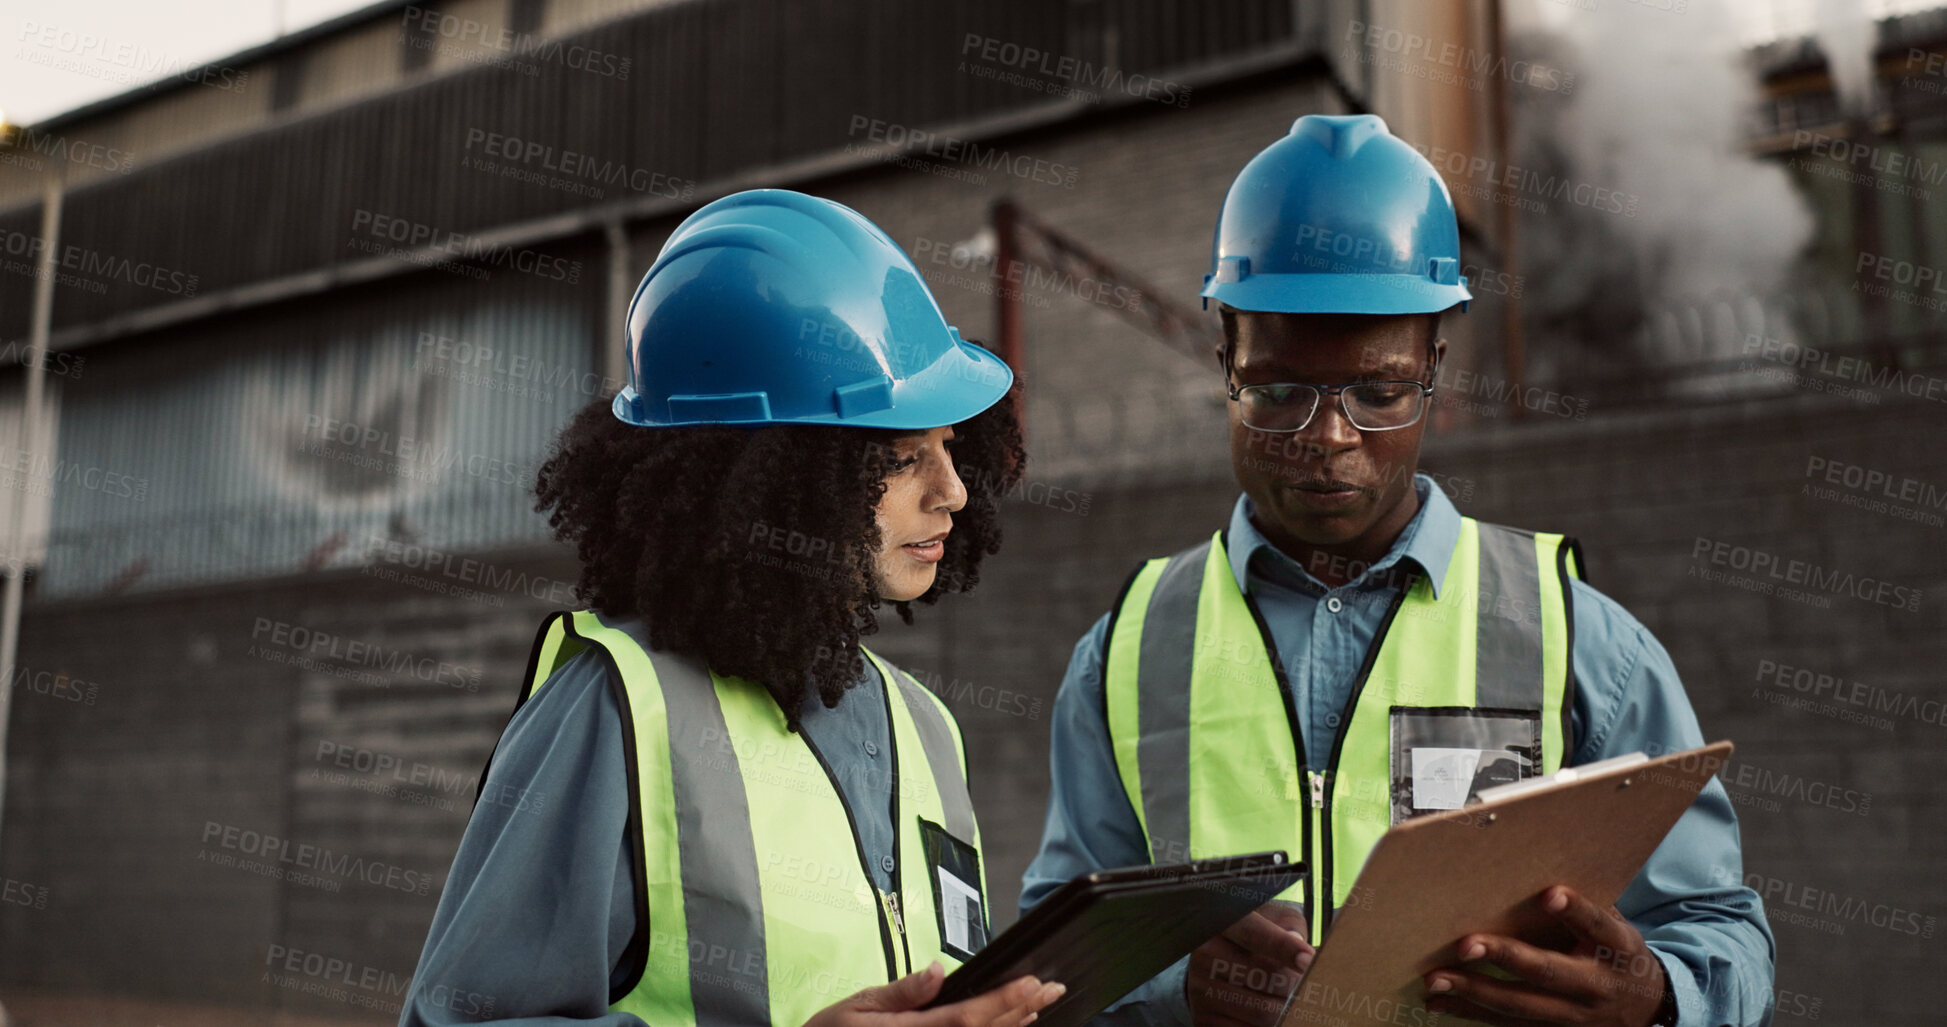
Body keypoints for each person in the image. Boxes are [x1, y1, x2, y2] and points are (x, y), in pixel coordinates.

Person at [1020, 115, 1774, 1027]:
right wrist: (1173, 993)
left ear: (1434, 368)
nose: (1327, 437)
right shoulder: (1127, 654)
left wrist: (1657, 1000)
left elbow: (1717, 927)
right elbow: (1050, 971)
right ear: (1226, 361)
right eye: (1278, 390)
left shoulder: (1580, 644)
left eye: (1376, 392)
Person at [400, 189, 1064, 1027]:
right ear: (766, 482)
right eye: (900, 458)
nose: (955, 492)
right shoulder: (615, 709)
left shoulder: (924, 725)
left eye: (950, 447)